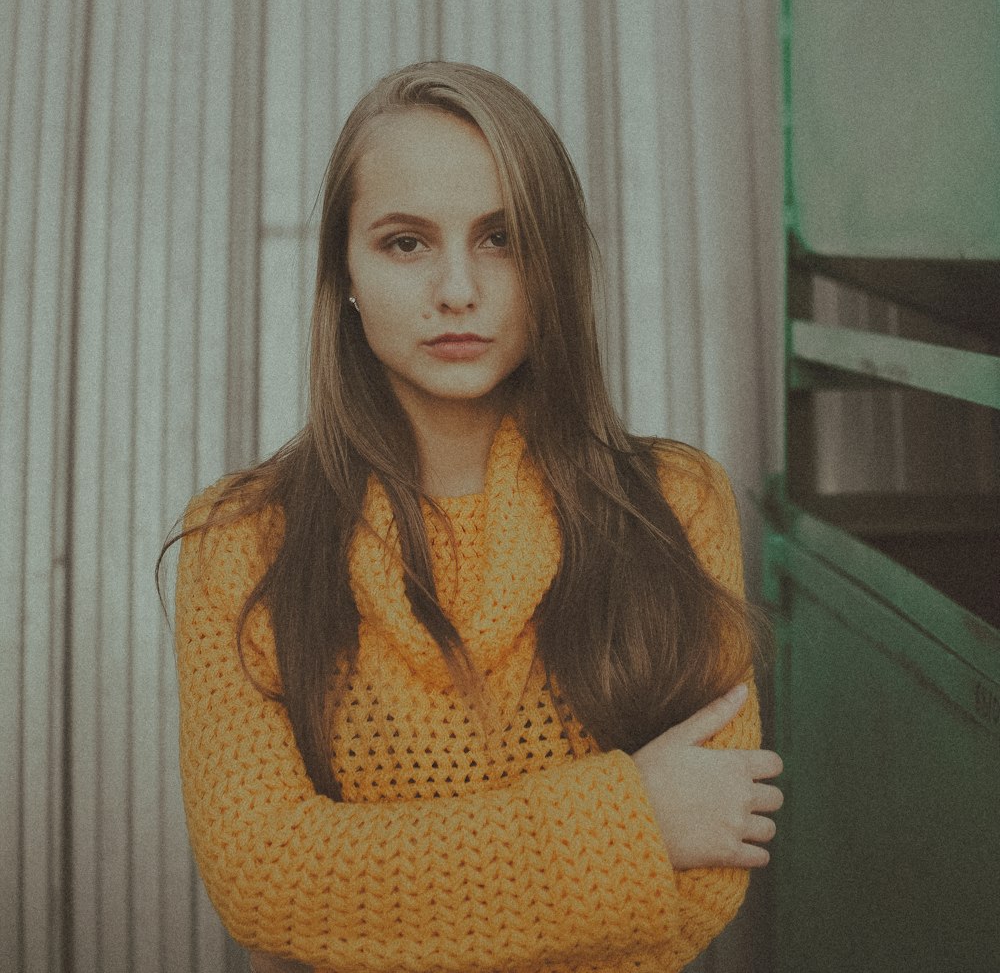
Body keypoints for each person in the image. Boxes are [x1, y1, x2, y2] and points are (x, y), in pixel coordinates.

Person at [166, 61, 783, 973]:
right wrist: (630, 820)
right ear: (346, 270)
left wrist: (379, 891)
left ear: (554, 261)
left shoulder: (675, 502)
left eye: (501, 238)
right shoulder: (240, 538)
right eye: (406, 243)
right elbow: (262, 876)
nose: (457, 288)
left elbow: (706, 877)